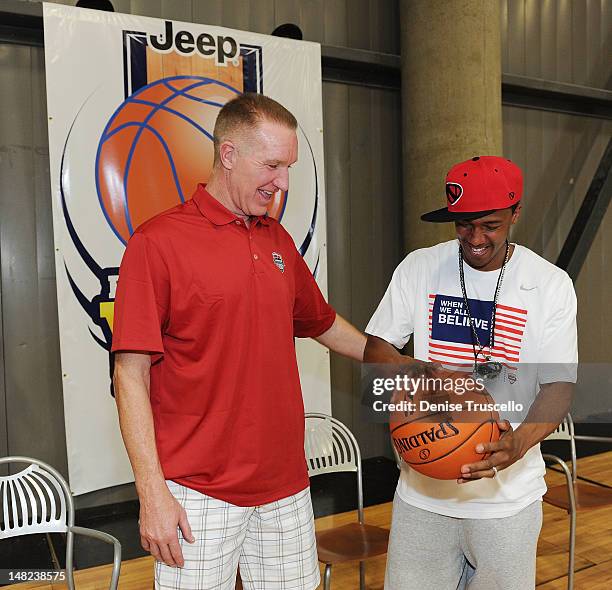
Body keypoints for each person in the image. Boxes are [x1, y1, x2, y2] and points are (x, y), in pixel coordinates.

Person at [111, 93, 366, 590]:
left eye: (288, 166)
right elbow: (130, 374)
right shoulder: (157, 242)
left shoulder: (277, 240)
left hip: (286, 488)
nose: (282, 183)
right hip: (195, 494)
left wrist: (398, 362)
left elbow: (323, 323)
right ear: (228, 155)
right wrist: (152, 492)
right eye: (271, 164)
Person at [365, 156, 577, 590]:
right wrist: (425, 376)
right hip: (423, 496)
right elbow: (377, 348)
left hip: (506, 501)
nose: (475, 238)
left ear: (516, 213)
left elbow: (558, 386)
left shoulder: (549, 284)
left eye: (490, 225)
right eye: (464, 225)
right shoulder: (420, 267)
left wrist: (518, 442)